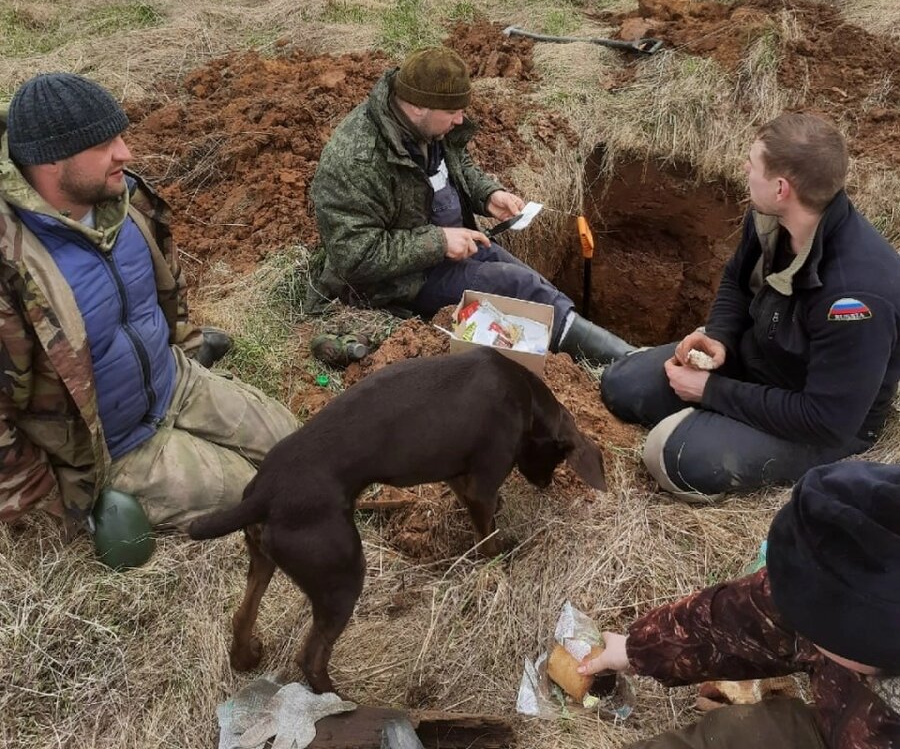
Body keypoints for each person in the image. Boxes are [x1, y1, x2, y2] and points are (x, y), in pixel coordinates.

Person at [0, 72, 297, 533]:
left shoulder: (125, 200)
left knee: (301, 448)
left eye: (120, 135)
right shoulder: (12, 264)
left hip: (174, 380)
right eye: (103, 144)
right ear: (51, 162)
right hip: (113, 449)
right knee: (269, 497)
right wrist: (48, 509)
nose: (126, 153)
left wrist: (186, 345)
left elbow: (164, 294)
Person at [601, 112, 900, 499]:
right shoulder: (771, 219)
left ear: (781, 188)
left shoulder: (855, 296)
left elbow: (826, 419)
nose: (744, 167)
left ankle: (706, 426)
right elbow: (736, 282)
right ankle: (710, 417)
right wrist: (720, 338)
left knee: (671, 457)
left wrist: (711, 392)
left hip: (822, 419)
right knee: (620, 384)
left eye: (752, 162)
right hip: (763, 359)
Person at [310, 46, 633, 362]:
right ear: (418, 105)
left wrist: (488, 195)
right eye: (452, 112)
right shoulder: (355, 161)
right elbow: (354, 255)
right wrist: (438, 242)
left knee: (532, 284)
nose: (460, 119)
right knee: (515, 286)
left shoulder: (431, 126)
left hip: (446, 245)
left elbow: (457, 165)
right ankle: (619, 364)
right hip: (395, 281)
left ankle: (608, 356)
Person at [577, 460, 900, 748]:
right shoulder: (864, 588)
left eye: (812, 624)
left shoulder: (868, 614)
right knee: (736, 733)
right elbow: (753, 614)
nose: (793, 619)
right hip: (838, 727)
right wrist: (641, 649)